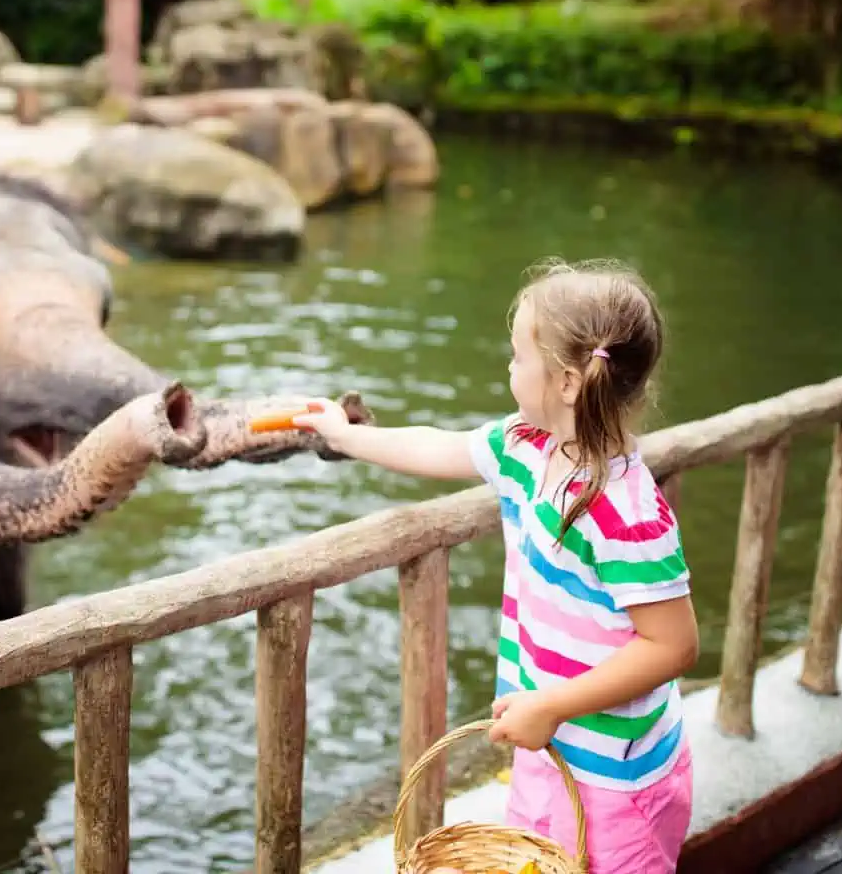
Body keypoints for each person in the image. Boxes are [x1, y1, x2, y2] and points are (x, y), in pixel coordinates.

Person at [293, 258, 699, 874]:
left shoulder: (626, 514)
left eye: (517, 356)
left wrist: (555, 705)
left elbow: (672, 646)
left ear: (566, 382)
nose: (508, 368)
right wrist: (345, 437)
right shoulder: (526, 448)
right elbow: (441, 445)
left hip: (617, 774)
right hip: (546, 739)